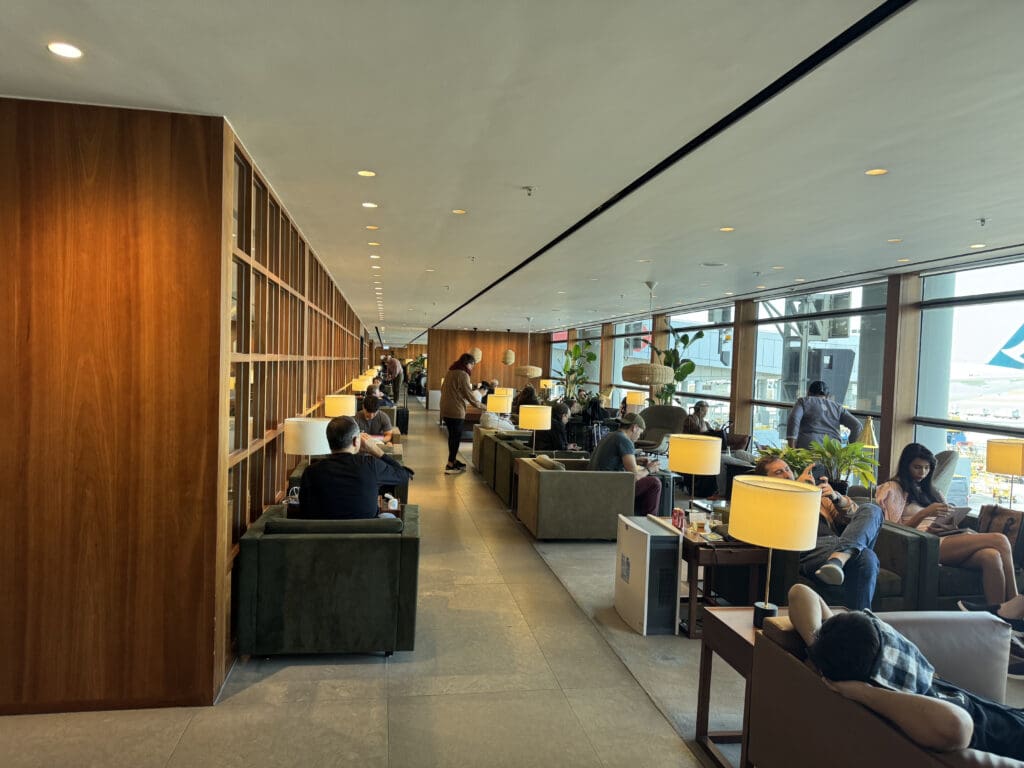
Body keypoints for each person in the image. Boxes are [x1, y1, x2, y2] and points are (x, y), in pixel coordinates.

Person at [788, 582, 1024, 759]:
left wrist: (818, 648)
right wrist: (864, 692)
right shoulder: (905, 700)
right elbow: (957, 726)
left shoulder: (863, 664)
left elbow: (800, 592)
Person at [877, 443, 1018, 605]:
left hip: (944, 538)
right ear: (905, 465)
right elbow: (893, 532)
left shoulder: (932, 491)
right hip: (923, 544)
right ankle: (1015, 603)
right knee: (1000, 540)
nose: (922, 473)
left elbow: (947, 519)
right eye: (917, 467)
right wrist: (926, 512)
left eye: (926, 468)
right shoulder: (893, 488)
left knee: (991, 556)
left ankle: (998, 617)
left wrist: (951, 527)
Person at [754, 455, 882, 610]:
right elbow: (778, 525)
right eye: (779, 472)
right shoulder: (769, 500)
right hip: (808, 549)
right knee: (867, 556)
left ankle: (838, 559)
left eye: (787, 469)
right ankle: (861, 624)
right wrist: (797, 492)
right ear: (767, 480)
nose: (787, 474)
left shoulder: (818, 496)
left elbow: (854, 517)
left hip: (837, 542)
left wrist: (836, 497)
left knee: (872, 509)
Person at [298, 416, 413, 519]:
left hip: (320, 539)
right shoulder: (370, 465)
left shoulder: (310, 472)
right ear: (355, 440)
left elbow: (304, 509)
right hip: (366, 537)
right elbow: (404, 475)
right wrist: (376, 450)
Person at [588, 413, 661, 516]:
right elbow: (633, 476)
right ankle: (649, 523)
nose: (639, 436)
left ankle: (635, 517)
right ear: (634, 428)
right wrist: (649, 469)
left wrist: (636, 460)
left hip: (595, 485)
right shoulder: (624, 440)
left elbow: (614, 461)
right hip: (608, 489)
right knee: (655, 483)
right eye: (640, 432)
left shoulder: (611, 435)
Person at [440, 352, 484, 474]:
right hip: (456, 410)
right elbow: (468, 394)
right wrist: (482, 406)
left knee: (452, 436)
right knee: (456, 437)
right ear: (467, 363)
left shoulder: (450, 372)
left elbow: (442, 389)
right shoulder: (463, 374)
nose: (472, 368)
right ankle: (450, 464)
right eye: (472, 365)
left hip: (445, 409)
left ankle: (452, 460)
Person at [787, 380, 862, 449]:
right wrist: (848, 449)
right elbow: (857, 425)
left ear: (808, 393)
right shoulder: (837, 407)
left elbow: (794, 418)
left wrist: (792, 447)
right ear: (828, 395)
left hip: (809, 446)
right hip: (833, 448)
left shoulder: (803, 401)